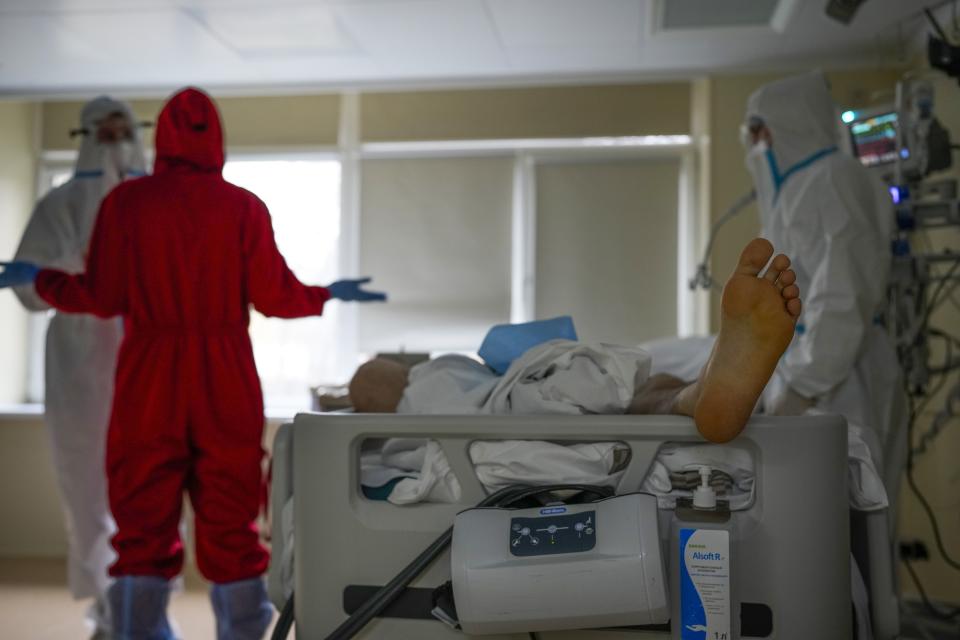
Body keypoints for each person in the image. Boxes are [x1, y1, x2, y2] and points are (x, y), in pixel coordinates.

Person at [1, 87, 386, 640]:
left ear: (159, 139)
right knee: (231, 517)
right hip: (223, 374)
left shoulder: (127, 204)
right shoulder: (243, 207)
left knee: (141, 518)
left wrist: (41, 280)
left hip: (148, 375)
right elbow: (276, 296)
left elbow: (103, 295)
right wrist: (326, 293)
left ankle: (138, 632)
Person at [350, 237, 802, 444]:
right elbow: (518, 348)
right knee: (639, 388)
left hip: (523, 396)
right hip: (534, 388)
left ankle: (699, 395)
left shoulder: (426, 398)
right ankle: (693, 395)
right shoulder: (439, 380)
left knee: (629, 396)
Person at [8, 96, 147, 639]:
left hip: (145, 356)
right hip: (79, 365)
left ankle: (145, 607)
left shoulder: (156, 198)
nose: (113, 139)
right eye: (102, 130)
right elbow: (28, 289)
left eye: (121, 128)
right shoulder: (58, 204)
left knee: (149, 486)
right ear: (85, 135)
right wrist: (65, 272)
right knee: (87, 487)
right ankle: (108, 613)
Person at [742, 71, 905, 506]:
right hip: (814, 368)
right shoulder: (797, 189)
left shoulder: (833, 178)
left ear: (789, 125)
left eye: (762, 131)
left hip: (841, 376)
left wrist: (802, 384)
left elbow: (841, 296)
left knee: (848, 523)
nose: (758, 145)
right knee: (817, 522)